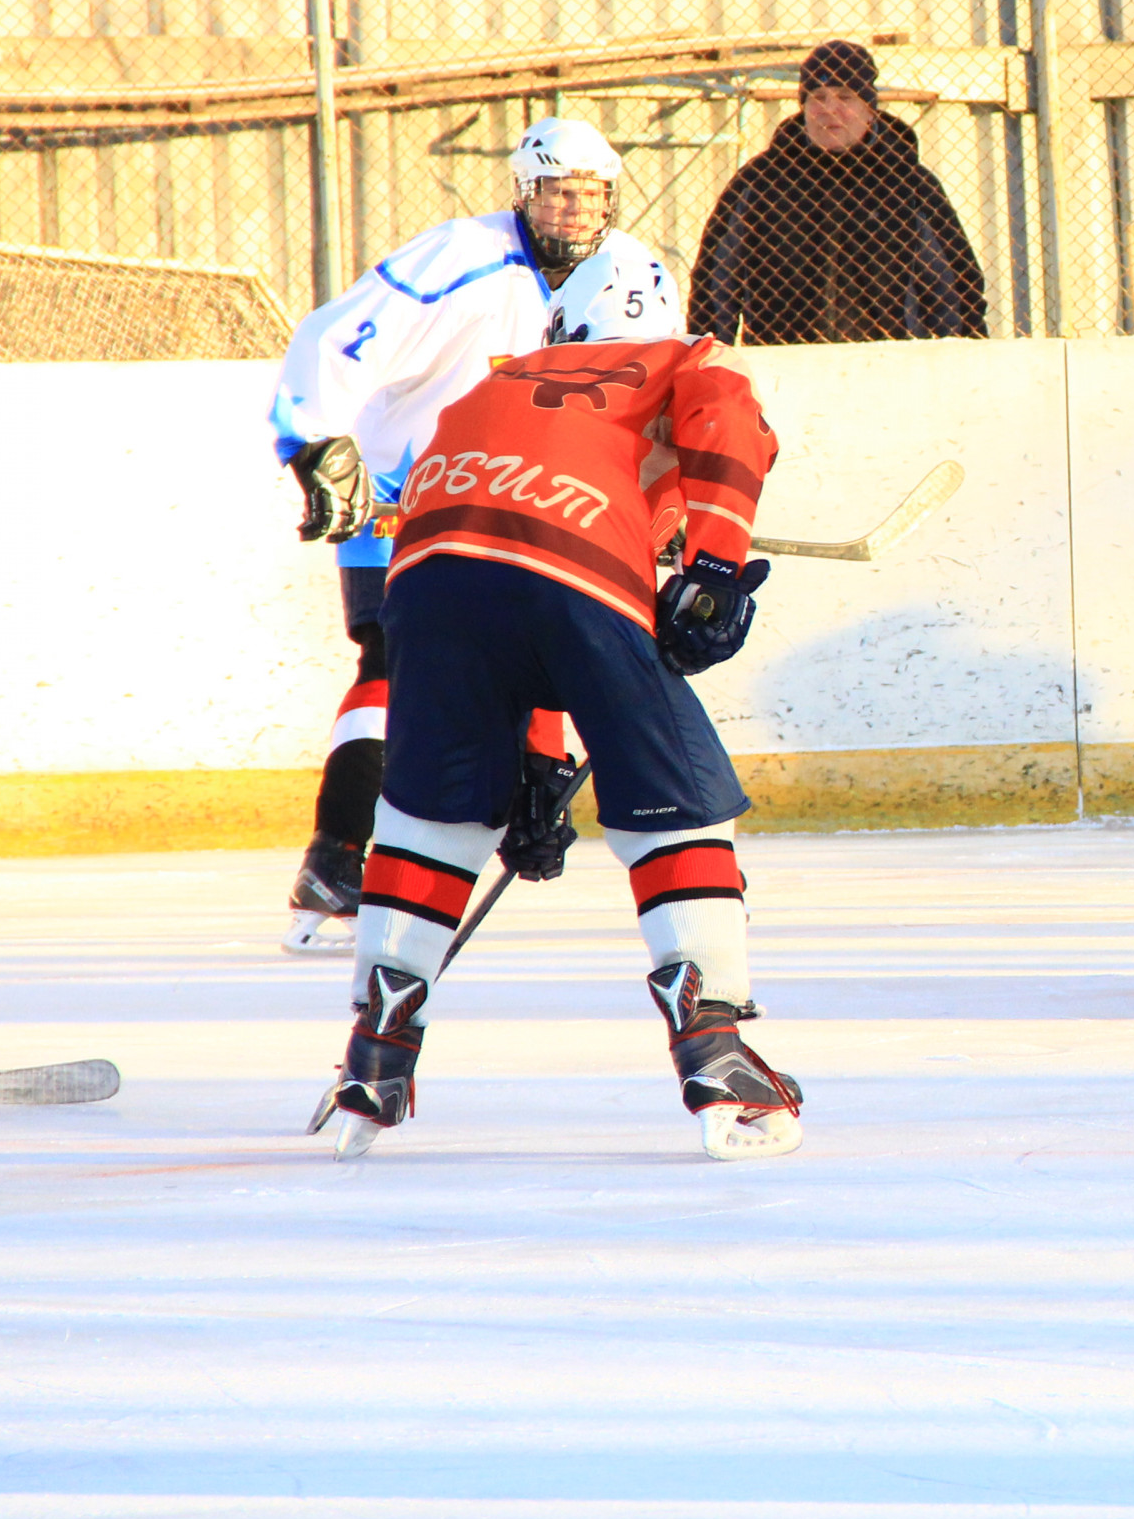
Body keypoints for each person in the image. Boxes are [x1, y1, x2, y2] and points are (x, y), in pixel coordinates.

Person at [323, 332, 798, 1161]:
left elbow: (510, 596)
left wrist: (536, 768)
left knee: (432, 820)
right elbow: (722, 418)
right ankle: (714, 1047)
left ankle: (377, 1052)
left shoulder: (498, 380)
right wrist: (716, 567)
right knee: (677, 802)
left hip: (428, 569)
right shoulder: (684, 354)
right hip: (569, 557)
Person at [266, 116, 677, 954]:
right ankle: (338, 862)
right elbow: (331, 337)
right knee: (395, 663)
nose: (574, 210)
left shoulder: (632, 275)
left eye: (591, 194)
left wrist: (654, 511)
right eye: (557, 193)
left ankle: (509, 815)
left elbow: (652, 403)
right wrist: (315, 446)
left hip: (531, 506)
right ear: (524, 193)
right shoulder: (460, 256)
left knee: (530, 666)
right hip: (406, 493)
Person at [685, 39, 986, 345]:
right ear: (803, 108)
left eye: (845, 96)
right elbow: (715, 282)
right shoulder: (762, 181)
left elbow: (954, 285)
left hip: (889, 360)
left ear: (869, 110)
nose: (829, 109)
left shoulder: (907, 183)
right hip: (783, 361)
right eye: (818, 97)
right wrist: (707, 361)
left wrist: (966, 357)